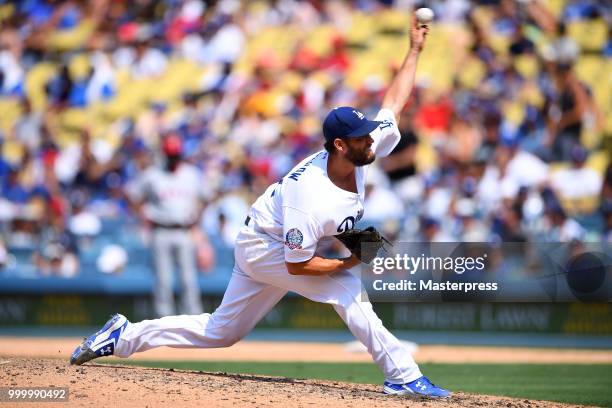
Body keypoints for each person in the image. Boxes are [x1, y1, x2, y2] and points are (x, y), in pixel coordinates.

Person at [70, 15, 451, 398]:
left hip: (269, 233)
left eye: (368, 135)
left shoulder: (360, 149)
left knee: (222, 332)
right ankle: (402, 375)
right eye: (360, 138)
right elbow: (297, 264)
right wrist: (349, 261)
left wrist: (414, 50)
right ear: (339, 145)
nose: (371, 142)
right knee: (346, 288)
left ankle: (124, 335)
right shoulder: (312, 193)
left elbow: (394, 104)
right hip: (265, 245)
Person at [125, 134, 207, 316]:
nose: (173, 158)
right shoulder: (152, 175)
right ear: (164, 154)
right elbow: (133, 196)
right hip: (160, 230)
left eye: (175, 155)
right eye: (170, 155)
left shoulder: (191, 174)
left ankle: (194, 322)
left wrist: (197, 222)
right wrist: (142, 216)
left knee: (188, 280)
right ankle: (164, 323)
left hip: (184, 231)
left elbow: (205, 198)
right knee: (163, 281)